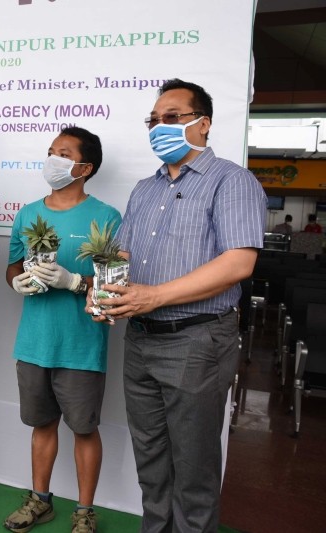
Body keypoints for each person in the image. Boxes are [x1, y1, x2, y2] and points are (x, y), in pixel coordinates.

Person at [90, 79, 266, 532]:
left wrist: (155, 296)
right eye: (153, 121)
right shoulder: (144, 190)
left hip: (197, 340)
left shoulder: (232, 180)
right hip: (142, 340)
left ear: (202, 124)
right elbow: (123, 256)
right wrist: (102, 287)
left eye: (171, 118)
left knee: (194, 468)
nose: (158, 128)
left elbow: (239, 262)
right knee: (150, 460)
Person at [4, 128, 121, 533]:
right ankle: (40, 500)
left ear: (85, 168)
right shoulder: (27, 213)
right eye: (51, 151)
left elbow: (114, 285)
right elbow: (13, 266)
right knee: (42, 426)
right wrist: (15, 281)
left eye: (64, 153)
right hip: (34, 342)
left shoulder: (105, 217)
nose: (52, 159)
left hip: (82, 345)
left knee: (85, 429)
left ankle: (85, 511)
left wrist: (75, 282)